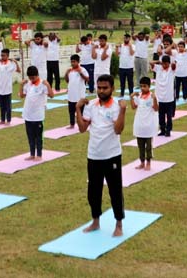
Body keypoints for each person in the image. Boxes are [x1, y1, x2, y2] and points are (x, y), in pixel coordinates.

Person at [76, 74, 127, 237]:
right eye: (99, 87)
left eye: (105, 88)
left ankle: (118, 223)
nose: (101, 91)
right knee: (93, 191)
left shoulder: (116, 107)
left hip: (112, 155)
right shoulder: (91, 105)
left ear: (112, 88)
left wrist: (124, 110)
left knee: (115, 191)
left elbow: (118, 130)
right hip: (94, 155)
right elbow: (82, 128)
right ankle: (95, 221)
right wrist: (78, 109)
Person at [19, 66, 54, 160]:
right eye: (30, 78)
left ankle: (39, 155)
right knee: (30, 136)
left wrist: (48, 85)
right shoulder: (28, 84)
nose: (31, 80)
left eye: (33, 78)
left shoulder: (42, 84)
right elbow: (22, 96)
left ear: (37, 75)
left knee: (38, 137)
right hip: (28, 115)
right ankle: (31, 154)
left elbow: (51, 95)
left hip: (38, 116)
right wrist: (21, 85)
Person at [130, 77, 158, 171]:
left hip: (149, 125)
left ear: (149, 86)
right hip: (140, 125)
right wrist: (132, 97)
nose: (142, 88)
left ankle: (148, 162)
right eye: (141, 86)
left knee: (148, 146)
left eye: (144, 86)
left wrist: (154, 99)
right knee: (140, 145)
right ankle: (142, 162)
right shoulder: (139, 96)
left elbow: (156, 109)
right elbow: (133, 107)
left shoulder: (151, 96)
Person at [150, 55, 176, 137]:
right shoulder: (158, 68)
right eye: (163, 64)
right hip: (159, 97)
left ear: (168, 63)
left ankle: (168, 130)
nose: (164, 66)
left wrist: (169, 62)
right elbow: (150, 62)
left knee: (169, 116)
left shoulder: (171, 70)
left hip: (169, 98)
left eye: (166, 64)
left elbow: (174, 65)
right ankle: (162, 130)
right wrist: (159, 62)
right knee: (160, 116)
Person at [0, 48, 20, 125]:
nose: (2, 57)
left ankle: (8, 120)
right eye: (1, 55)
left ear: (7, 56)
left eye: (3, 55)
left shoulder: (10, 63)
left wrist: (16, 62)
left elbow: (18, 70)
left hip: (7, 88)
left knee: (8, 105)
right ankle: (2, 120)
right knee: (1, 105)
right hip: (0, 87)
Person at [64, 54, 89, 129]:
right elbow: (67, 80)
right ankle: (72, 124)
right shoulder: (70, 70)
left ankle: (82, 124)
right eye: (71, 62)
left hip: (80, 95)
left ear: (78, 62)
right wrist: (66, 73)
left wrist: (80, 73)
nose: (72, 63)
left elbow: (87, 79)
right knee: (71, 111)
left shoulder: (82, 69)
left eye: (74, 62)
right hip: (71, 95)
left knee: (81, 112)